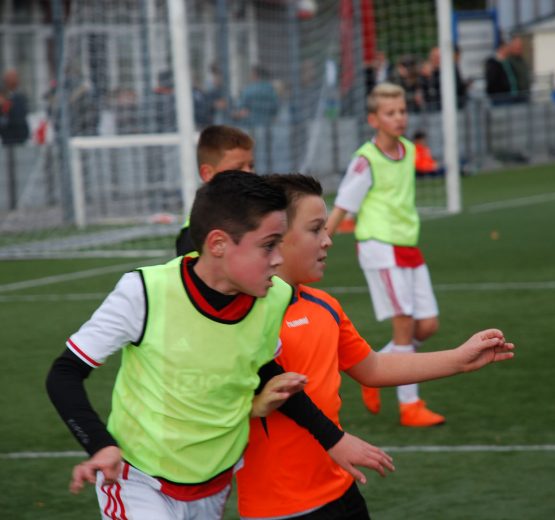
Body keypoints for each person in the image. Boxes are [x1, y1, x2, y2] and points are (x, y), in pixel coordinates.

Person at [46, 171, 389, 520]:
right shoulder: (145, 293)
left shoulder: (274, 298)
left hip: (213, 487)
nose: (278, 258)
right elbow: (64, 373)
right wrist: (100, 445)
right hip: (138, 480)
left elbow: (263, 367)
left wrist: (333, 439)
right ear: (218, 244)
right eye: (268, 245)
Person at [236, 173, 514, 519]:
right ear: (275, 235)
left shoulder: (324, 305)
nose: (328, 241)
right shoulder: (243, 318)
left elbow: (373, 367)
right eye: (315, 230)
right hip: (279, 508)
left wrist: (458, 359)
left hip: (342, 489)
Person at [326, 82, 445, 427]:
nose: (399, 118)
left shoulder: (409, 149)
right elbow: (342, 206)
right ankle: (410, 406)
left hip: (408, 244)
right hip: (378, 246)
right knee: (404, 322)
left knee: (428, 325)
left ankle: (376, 367)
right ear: (374, 120)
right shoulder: (366, 160)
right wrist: (322, 241)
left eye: (402, 111)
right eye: (390, 113)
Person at [175, 124, 255, 255]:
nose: (249, 173)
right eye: (238, 168)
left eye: (251, 166)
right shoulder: (194, 235)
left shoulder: (259, 214)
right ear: (208, 174)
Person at [0, 68, 30, 210]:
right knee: (10, 172)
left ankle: (20, 200)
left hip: (20, 137)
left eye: (14, 78)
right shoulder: (5, 97)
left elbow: (20, 116)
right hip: (8, 139)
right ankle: (13, 202)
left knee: (21, 170)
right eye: (9, 78)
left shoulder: (20, 97)